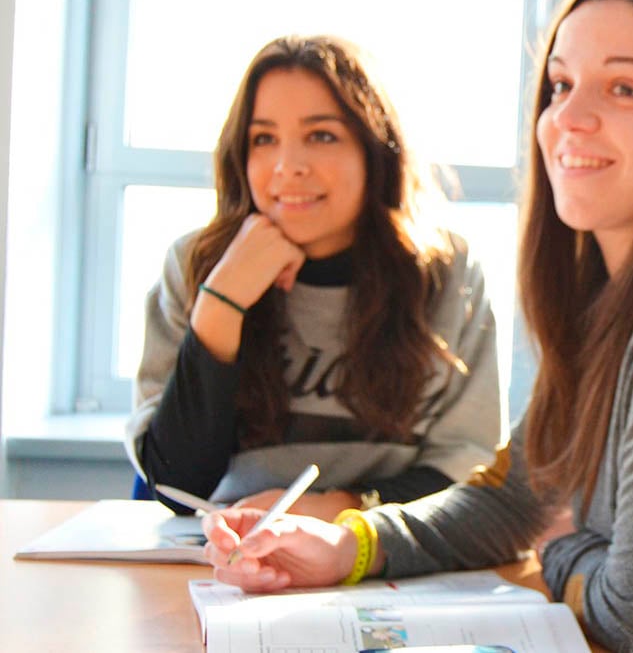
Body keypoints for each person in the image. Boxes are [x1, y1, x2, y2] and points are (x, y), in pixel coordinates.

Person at [200, 0, 633, 651]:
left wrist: (563, 550)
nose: (568, 118)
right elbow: (516, 497)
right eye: (560, 85)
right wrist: (349, 544)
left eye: (623, 88)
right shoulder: (606, 291)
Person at [126, 35, 502, 522]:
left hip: (391, 556)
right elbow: (176, 487)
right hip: (222, 556)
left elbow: (467, 468)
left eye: (321, 135)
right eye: (263, 139)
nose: (288, 166)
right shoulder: (195, 264)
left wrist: (338, 509)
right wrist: (220, 305)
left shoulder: (447, 273)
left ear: (375, 150)